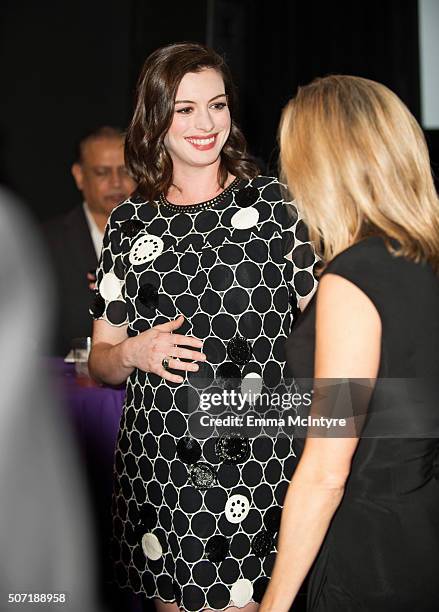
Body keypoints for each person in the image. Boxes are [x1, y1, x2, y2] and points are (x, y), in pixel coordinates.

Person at [88, 42, 317, 612]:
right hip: (161, 464)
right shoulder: (129, 220)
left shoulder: (276, 206)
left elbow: (325, 322)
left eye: (216, 105)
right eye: (185, 109)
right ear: (156, 119)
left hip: (255, 464)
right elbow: (102, 359)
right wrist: (134, 353)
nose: (206, 122)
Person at [259, 75, 439, 611]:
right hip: (421, 526)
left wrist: (273, 606)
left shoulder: (353, 278)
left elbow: (325, 471)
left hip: (369, 553)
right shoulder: (423, 260)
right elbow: (398, 402)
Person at [43, 126, 136, 356]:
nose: (116, 183)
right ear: (79, 175)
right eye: (102, 172)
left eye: (125, 171)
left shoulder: (162, 234)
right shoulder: (47, 243)